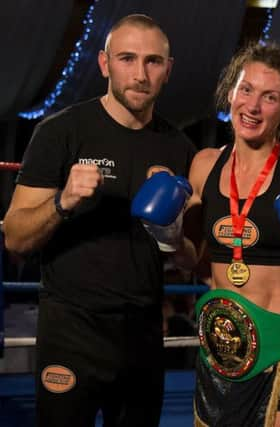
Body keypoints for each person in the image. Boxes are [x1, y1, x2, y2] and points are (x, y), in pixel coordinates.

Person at [3, 14, 196, 427]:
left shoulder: (179, 147)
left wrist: (171, 231)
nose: (140, 74)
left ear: (169, 69)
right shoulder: (61, 132)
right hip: (72, 330)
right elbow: (15, 239)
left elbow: (190, 260)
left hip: (143, 332)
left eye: (153, 62)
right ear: (105, 63)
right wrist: (63, 201)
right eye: (127, 59)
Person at [181, 43, 280, 426]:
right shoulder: (203, 166)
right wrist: (166, 234)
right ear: (230, 92)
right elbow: (191, 260)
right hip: (218, 357)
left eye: (269, 97)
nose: (252, 106)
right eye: (245, 89)